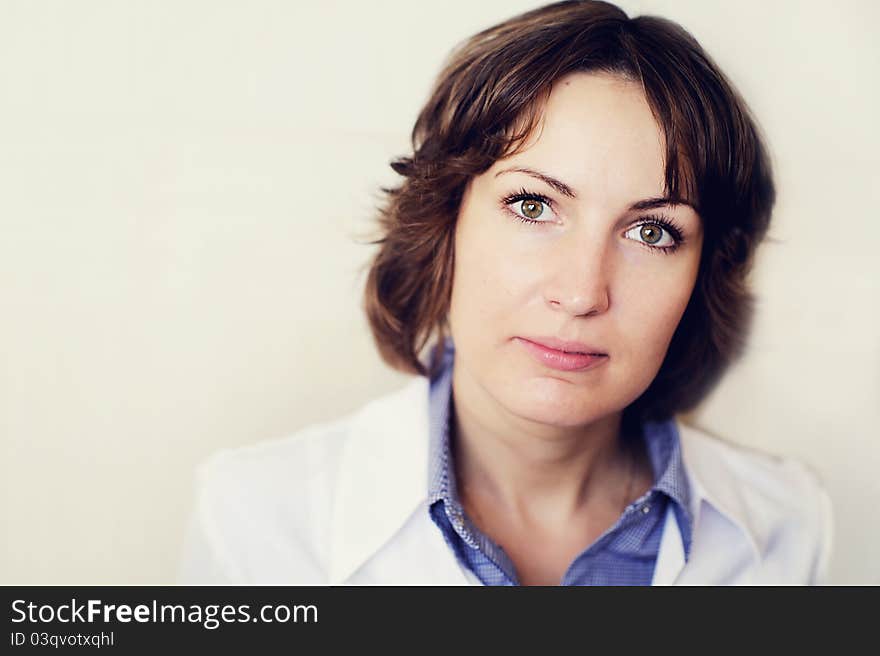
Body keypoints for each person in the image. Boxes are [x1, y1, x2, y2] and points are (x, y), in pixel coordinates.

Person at [178, 0, 832, 585]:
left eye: (652, 231)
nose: (581, 293)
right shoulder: (257, 518)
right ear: (445, 223)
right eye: (532, 205)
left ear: (701, 279)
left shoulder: (790, 527)